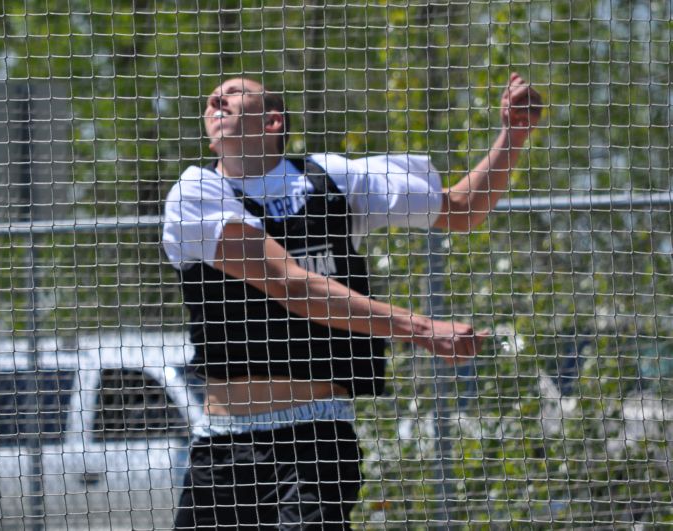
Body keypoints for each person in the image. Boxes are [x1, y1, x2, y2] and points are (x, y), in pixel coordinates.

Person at [163, 73, 542, 529]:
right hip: (223, 445)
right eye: (212, 100)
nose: (215, 99)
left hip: (316, 438)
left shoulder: (332, 179)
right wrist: (421, 328)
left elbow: (462, 208)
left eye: (234, 93)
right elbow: (289, 283)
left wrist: (513, 135)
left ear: (272, 122)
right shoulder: (195, 192)